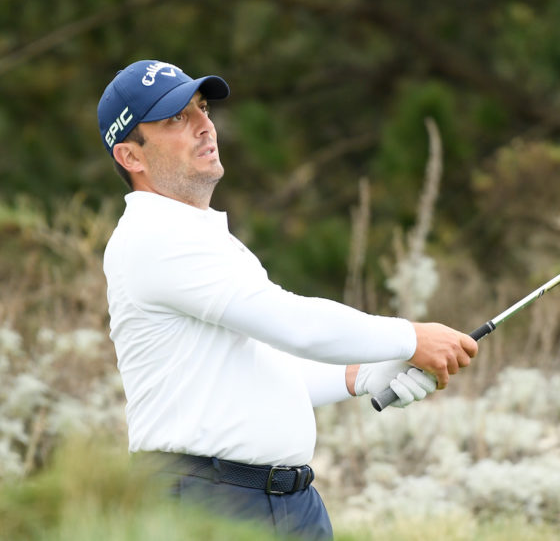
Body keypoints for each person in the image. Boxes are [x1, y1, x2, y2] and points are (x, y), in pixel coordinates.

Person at [97, 59, 478, 540]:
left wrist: (363, 374)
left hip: (282, 503)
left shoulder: (199, 234)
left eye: (201, 107)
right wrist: (409, 337)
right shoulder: (154, 237)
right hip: (204, 503)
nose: (203, 126)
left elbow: (258, 366)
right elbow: (292, 323)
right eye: (176, 118)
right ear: (131, 156)